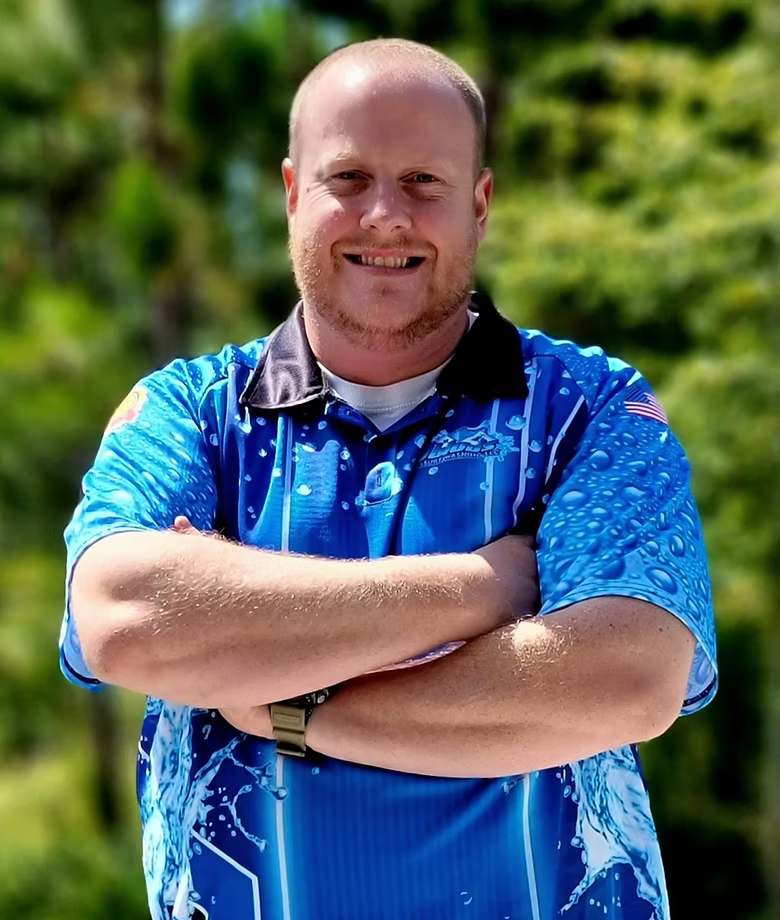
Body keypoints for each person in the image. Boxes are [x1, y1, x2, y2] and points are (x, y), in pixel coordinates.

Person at [60, 38, 717, 920]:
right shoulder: (192, 413)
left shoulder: (589, 411)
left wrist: (289, 706)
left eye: (422, 183)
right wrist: (484, 586)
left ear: (479, 205)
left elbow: (629, 679)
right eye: (349, 179)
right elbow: (127, 621)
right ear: (292, 194)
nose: (384, 217)